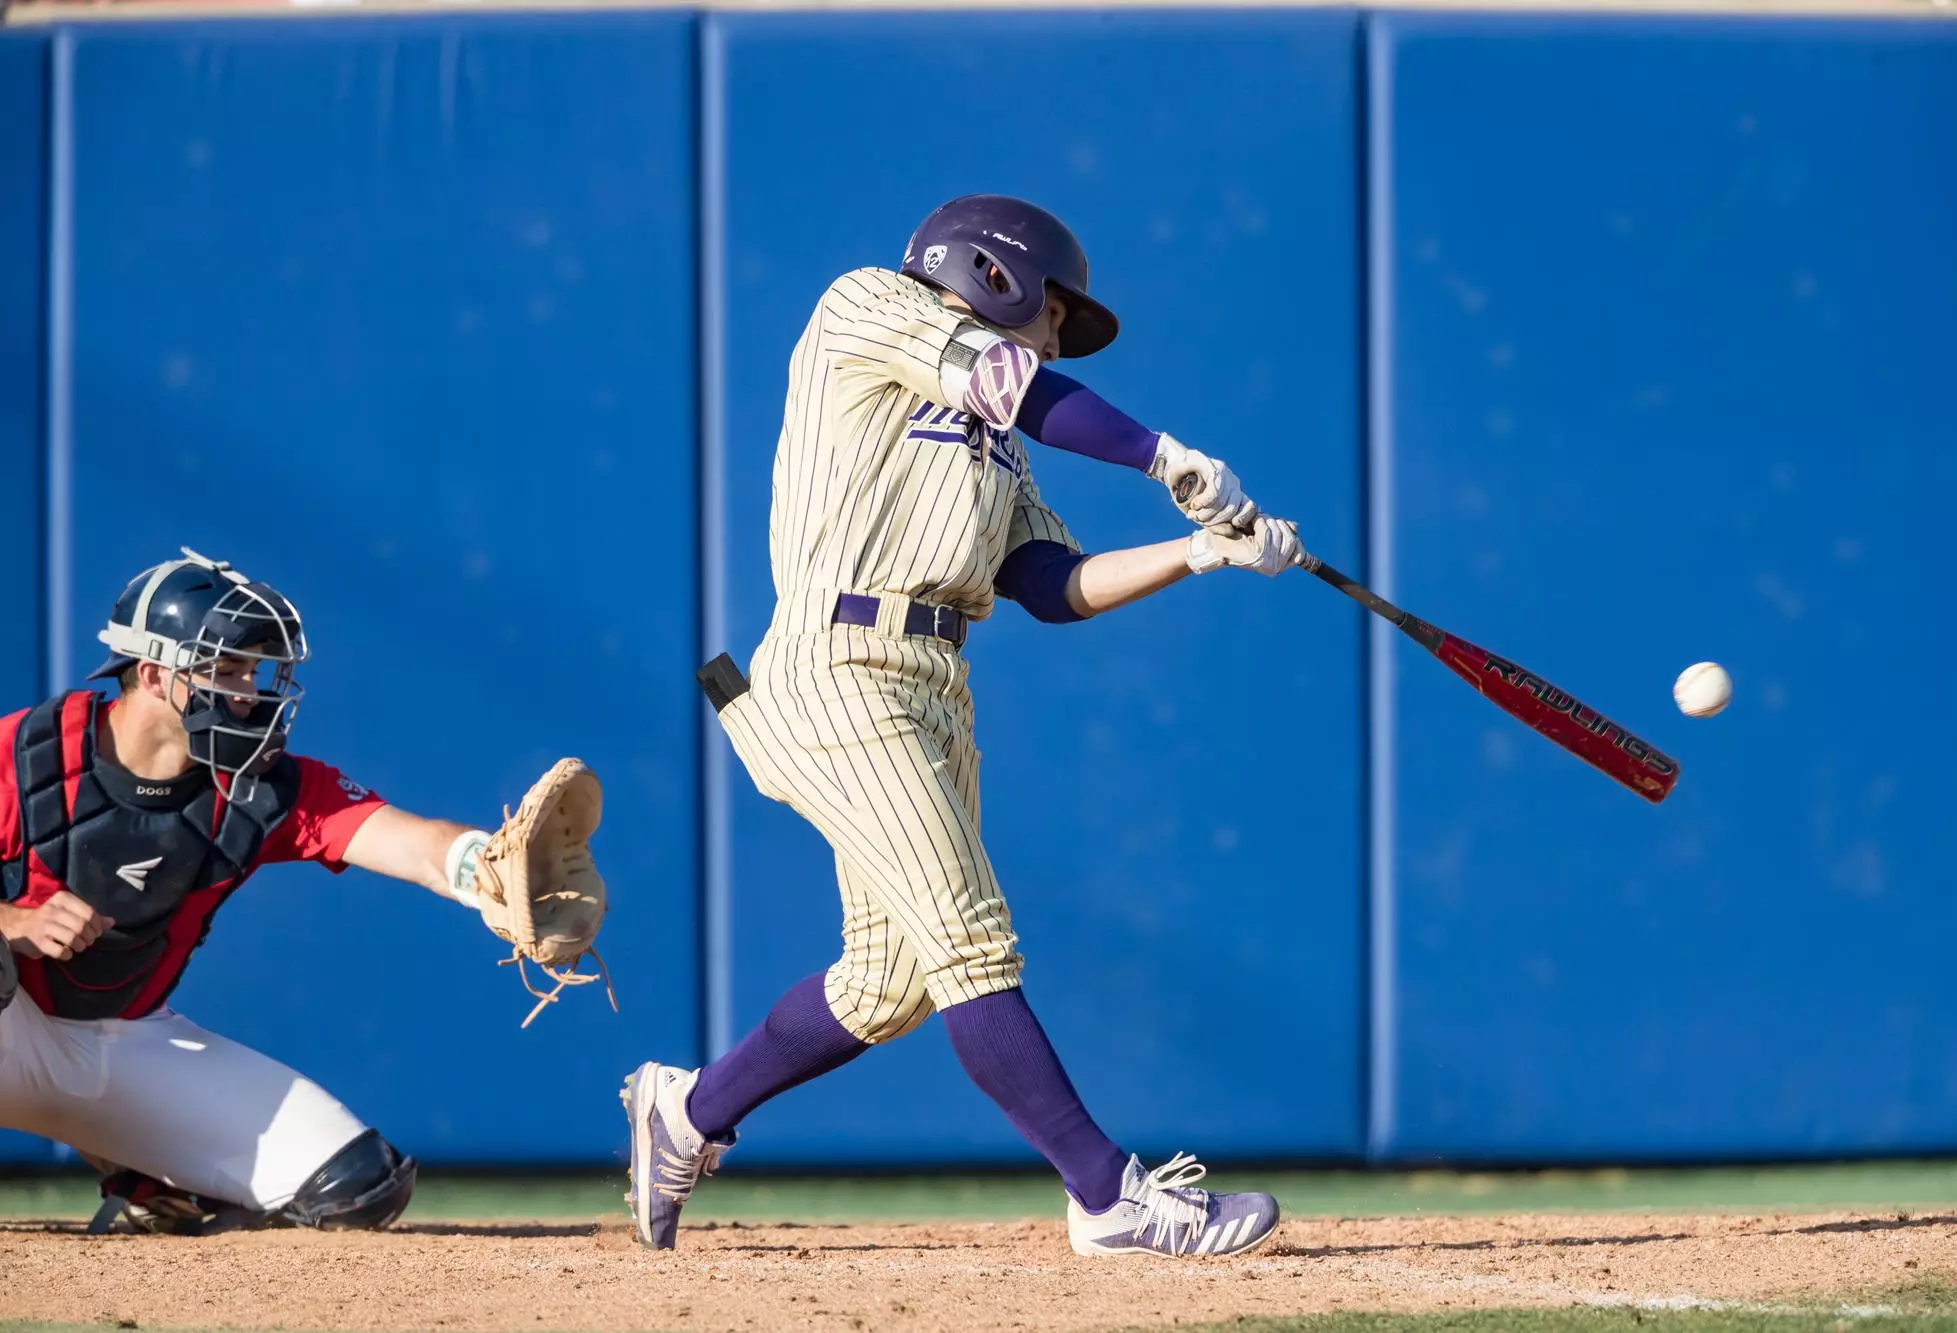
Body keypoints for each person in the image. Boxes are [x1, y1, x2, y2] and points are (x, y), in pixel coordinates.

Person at [624, 194, 1301, 1258]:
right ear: (994, 273)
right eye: (1050, 313)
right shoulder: (866, 305)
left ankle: (686, 1110)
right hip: (838, 662)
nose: (1049, 335)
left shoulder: (998, 444)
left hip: (932, 681)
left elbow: (1049, 582)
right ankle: (1105, 1193)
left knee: (885, 982)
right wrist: (1162, 454)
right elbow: (1021, 390)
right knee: (970, 935)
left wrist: (1197, 552)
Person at [0, 547, 559, 1235]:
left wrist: (490, 867)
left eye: (255, 670)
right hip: (12, 1030)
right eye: (226, 668)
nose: (249, 689)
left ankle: (145, 1173)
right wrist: (10, 919)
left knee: (358, 1187)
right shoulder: (27, 756)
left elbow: (412, 843)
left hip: (126, 1044)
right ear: (152, 672)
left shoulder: (262, 787)